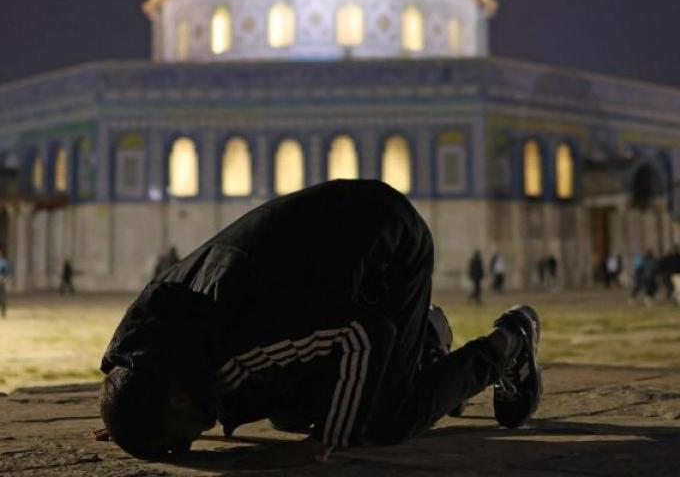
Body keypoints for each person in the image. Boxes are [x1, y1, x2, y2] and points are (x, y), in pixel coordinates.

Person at [97, 180, 542, 463]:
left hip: (384, 243)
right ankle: (423, 343)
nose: (192, 444)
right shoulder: (151, 342)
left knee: (381, 421)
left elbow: (364, 332)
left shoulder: (236, 341)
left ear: (176, 397)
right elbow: (127, 381)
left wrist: (327, 440)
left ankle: (507, 346)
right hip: (330, 252)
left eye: (180, 443)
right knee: (292, 409)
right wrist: (132, 425)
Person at [0, 247, 12, 317]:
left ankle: (3, 313)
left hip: (1, 283)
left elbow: (8, 273)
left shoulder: (4, 263)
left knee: (2, 298)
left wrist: (5, 280)